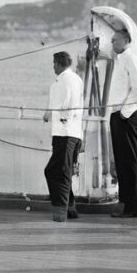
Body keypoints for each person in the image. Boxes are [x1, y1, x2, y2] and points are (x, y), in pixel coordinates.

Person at [107, 28, 137, 218]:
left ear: (126, 40)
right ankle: (126, 204)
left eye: (115, 40)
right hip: (117, 115)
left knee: (129, 163)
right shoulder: (119, 60)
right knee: (122, 163)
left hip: (127, 116)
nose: (113, 43)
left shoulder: (131, 59)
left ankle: (135, 207)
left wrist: (124, 113)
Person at [43, 51, 84, 222]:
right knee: (63, 171)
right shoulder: (77, 79)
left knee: (56, 171)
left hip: (64, 133)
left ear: (59, 64)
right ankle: (70, 207)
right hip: (73, 132)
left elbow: (64, 103)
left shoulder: (62, 82)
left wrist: (53, 115)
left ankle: (61, 210)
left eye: (54, 63)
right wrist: (49, 113)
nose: (53, 66)